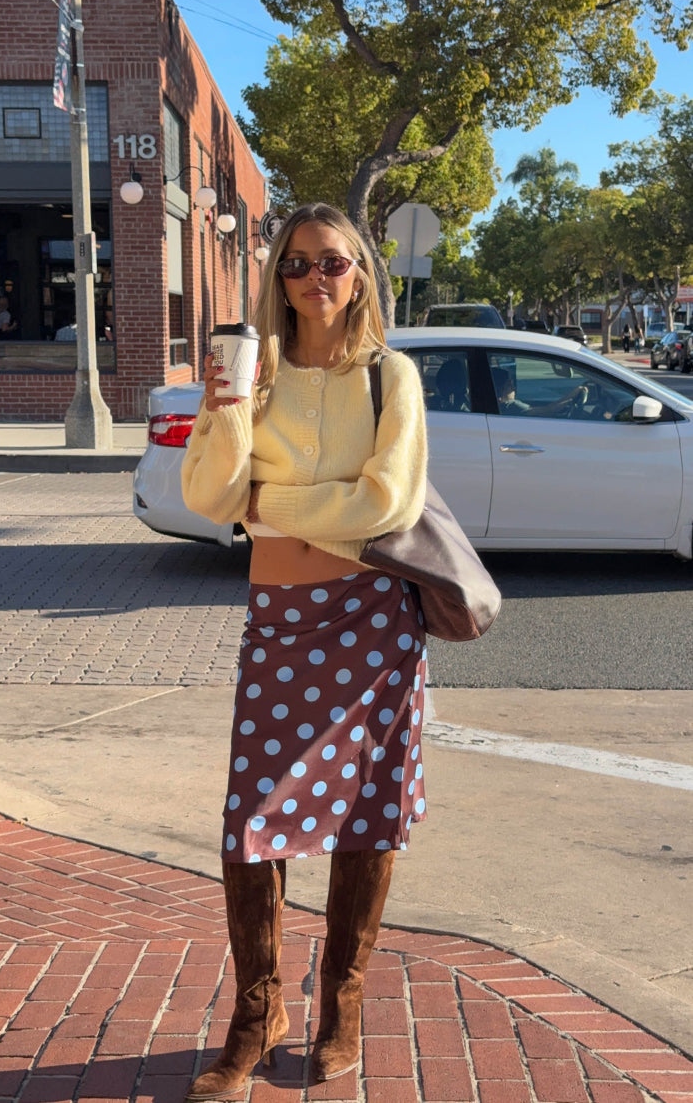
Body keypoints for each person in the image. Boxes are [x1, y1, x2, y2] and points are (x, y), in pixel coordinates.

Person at [180, 203, 428, 1099]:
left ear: (360, 275)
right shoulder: (254, 372)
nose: (314, 278)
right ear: (276, 277)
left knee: (367, 817)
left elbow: (386, 503)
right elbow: (210, 498)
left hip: (374, 622)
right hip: (280, 623)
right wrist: (230, 413)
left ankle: (342, 1007)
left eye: (332, 262)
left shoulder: (391, 376)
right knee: (250, 826)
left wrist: (269, 504)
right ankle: (259, 1016)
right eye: (296, 263)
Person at [491, 365, 589, 416]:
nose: (514, 388)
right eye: (509, 385)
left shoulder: (502, 408)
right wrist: (574, 393)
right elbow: (548, 410)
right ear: (500, 390)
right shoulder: (510, 405)